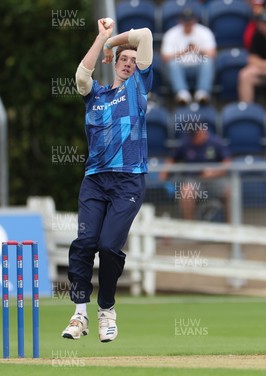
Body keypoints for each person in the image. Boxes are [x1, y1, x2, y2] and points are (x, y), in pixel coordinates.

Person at [61, 19, 152, 343]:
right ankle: (80, 314)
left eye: (132, 60)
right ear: (112, 65)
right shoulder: (95, 95)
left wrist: (114, 42)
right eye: (122, 60)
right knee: (84, 244)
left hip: (129, 180)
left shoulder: (138, 87)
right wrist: (100, 38)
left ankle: (107, 310)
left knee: (109, 247)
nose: (128, 64)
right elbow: (81, 76)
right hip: (95, 180)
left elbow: (144, 36)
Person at [160, 129, 231, 221]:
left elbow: (227, 163)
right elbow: (171, 159)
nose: (194, 138)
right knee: (186, 191)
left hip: (214, 179)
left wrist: (214, 172)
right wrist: (164, 172)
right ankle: (190, 226)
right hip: (194, 180)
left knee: (229, 191)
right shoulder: (186, 143)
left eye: (196, 135)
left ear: (202, 131)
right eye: (192, 136)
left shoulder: (215, 142)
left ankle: (231, 225)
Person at [161, 7, 216, 105]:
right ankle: (182, 93)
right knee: (172, 63)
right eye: (185, 21)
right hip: (180, 67)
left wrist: (197, 49)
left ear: (195, 20)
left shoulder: (204, 32)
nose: (188, 24)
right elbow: (165, 57)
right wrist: (184, 51)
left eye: (190, 21)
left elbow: (212, 54)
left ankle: (202, 93)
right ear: (180, 21)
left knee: (208, 61)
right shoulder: (171, 34)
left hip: (198, 67)